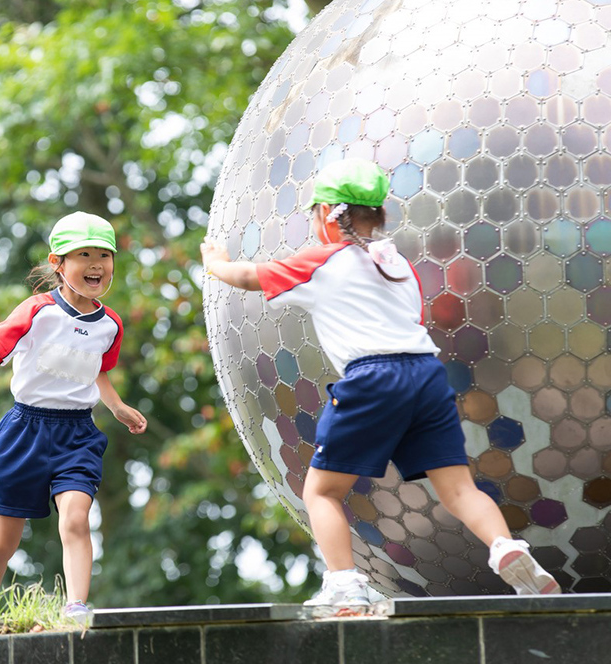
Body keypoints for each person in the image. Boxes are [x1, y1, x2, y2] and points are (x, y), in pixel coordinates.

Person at [200, 159, 559, 612]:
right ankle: (507, 548)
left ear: (329, 213)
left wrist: (216, 264)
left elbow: (250, 277)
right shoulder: (398, 265)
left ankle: (345, 586)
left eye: (315, 215)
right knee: (458, 487)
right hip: (426, 375)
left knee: (323, 490)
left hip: (373, 377)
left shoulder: (321, 261)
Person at [0, 211, 147, 623]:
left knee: (76, 519)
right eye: (83, 254)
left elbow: (97, 369)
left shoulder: (110, 325)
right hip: (25, 431)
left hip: (77, 435)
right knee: (3, 541)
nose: (96, 264)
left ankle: (76, 606)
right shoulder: (38, 310)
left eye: (104, 255)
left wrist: (117, 406)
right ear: (58, 263)